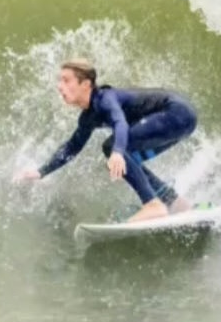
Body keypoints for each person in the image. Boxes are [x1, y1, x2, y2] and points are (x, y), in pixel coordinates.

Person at [13, 59, 198, 222]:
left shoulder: (105, 99)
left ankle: (152, 205)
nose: (59, 86)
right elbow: (73, 147)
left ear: (85, 84)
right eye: (60, 81)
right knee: (127, 161)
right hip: (181, 122)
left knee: (113, 149)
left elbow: (120, 122)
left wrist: (117, 151)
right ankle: (175, 203)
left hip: (176, 113)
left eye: (66, 80)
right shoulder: (88, 117)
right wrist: (40, 172)